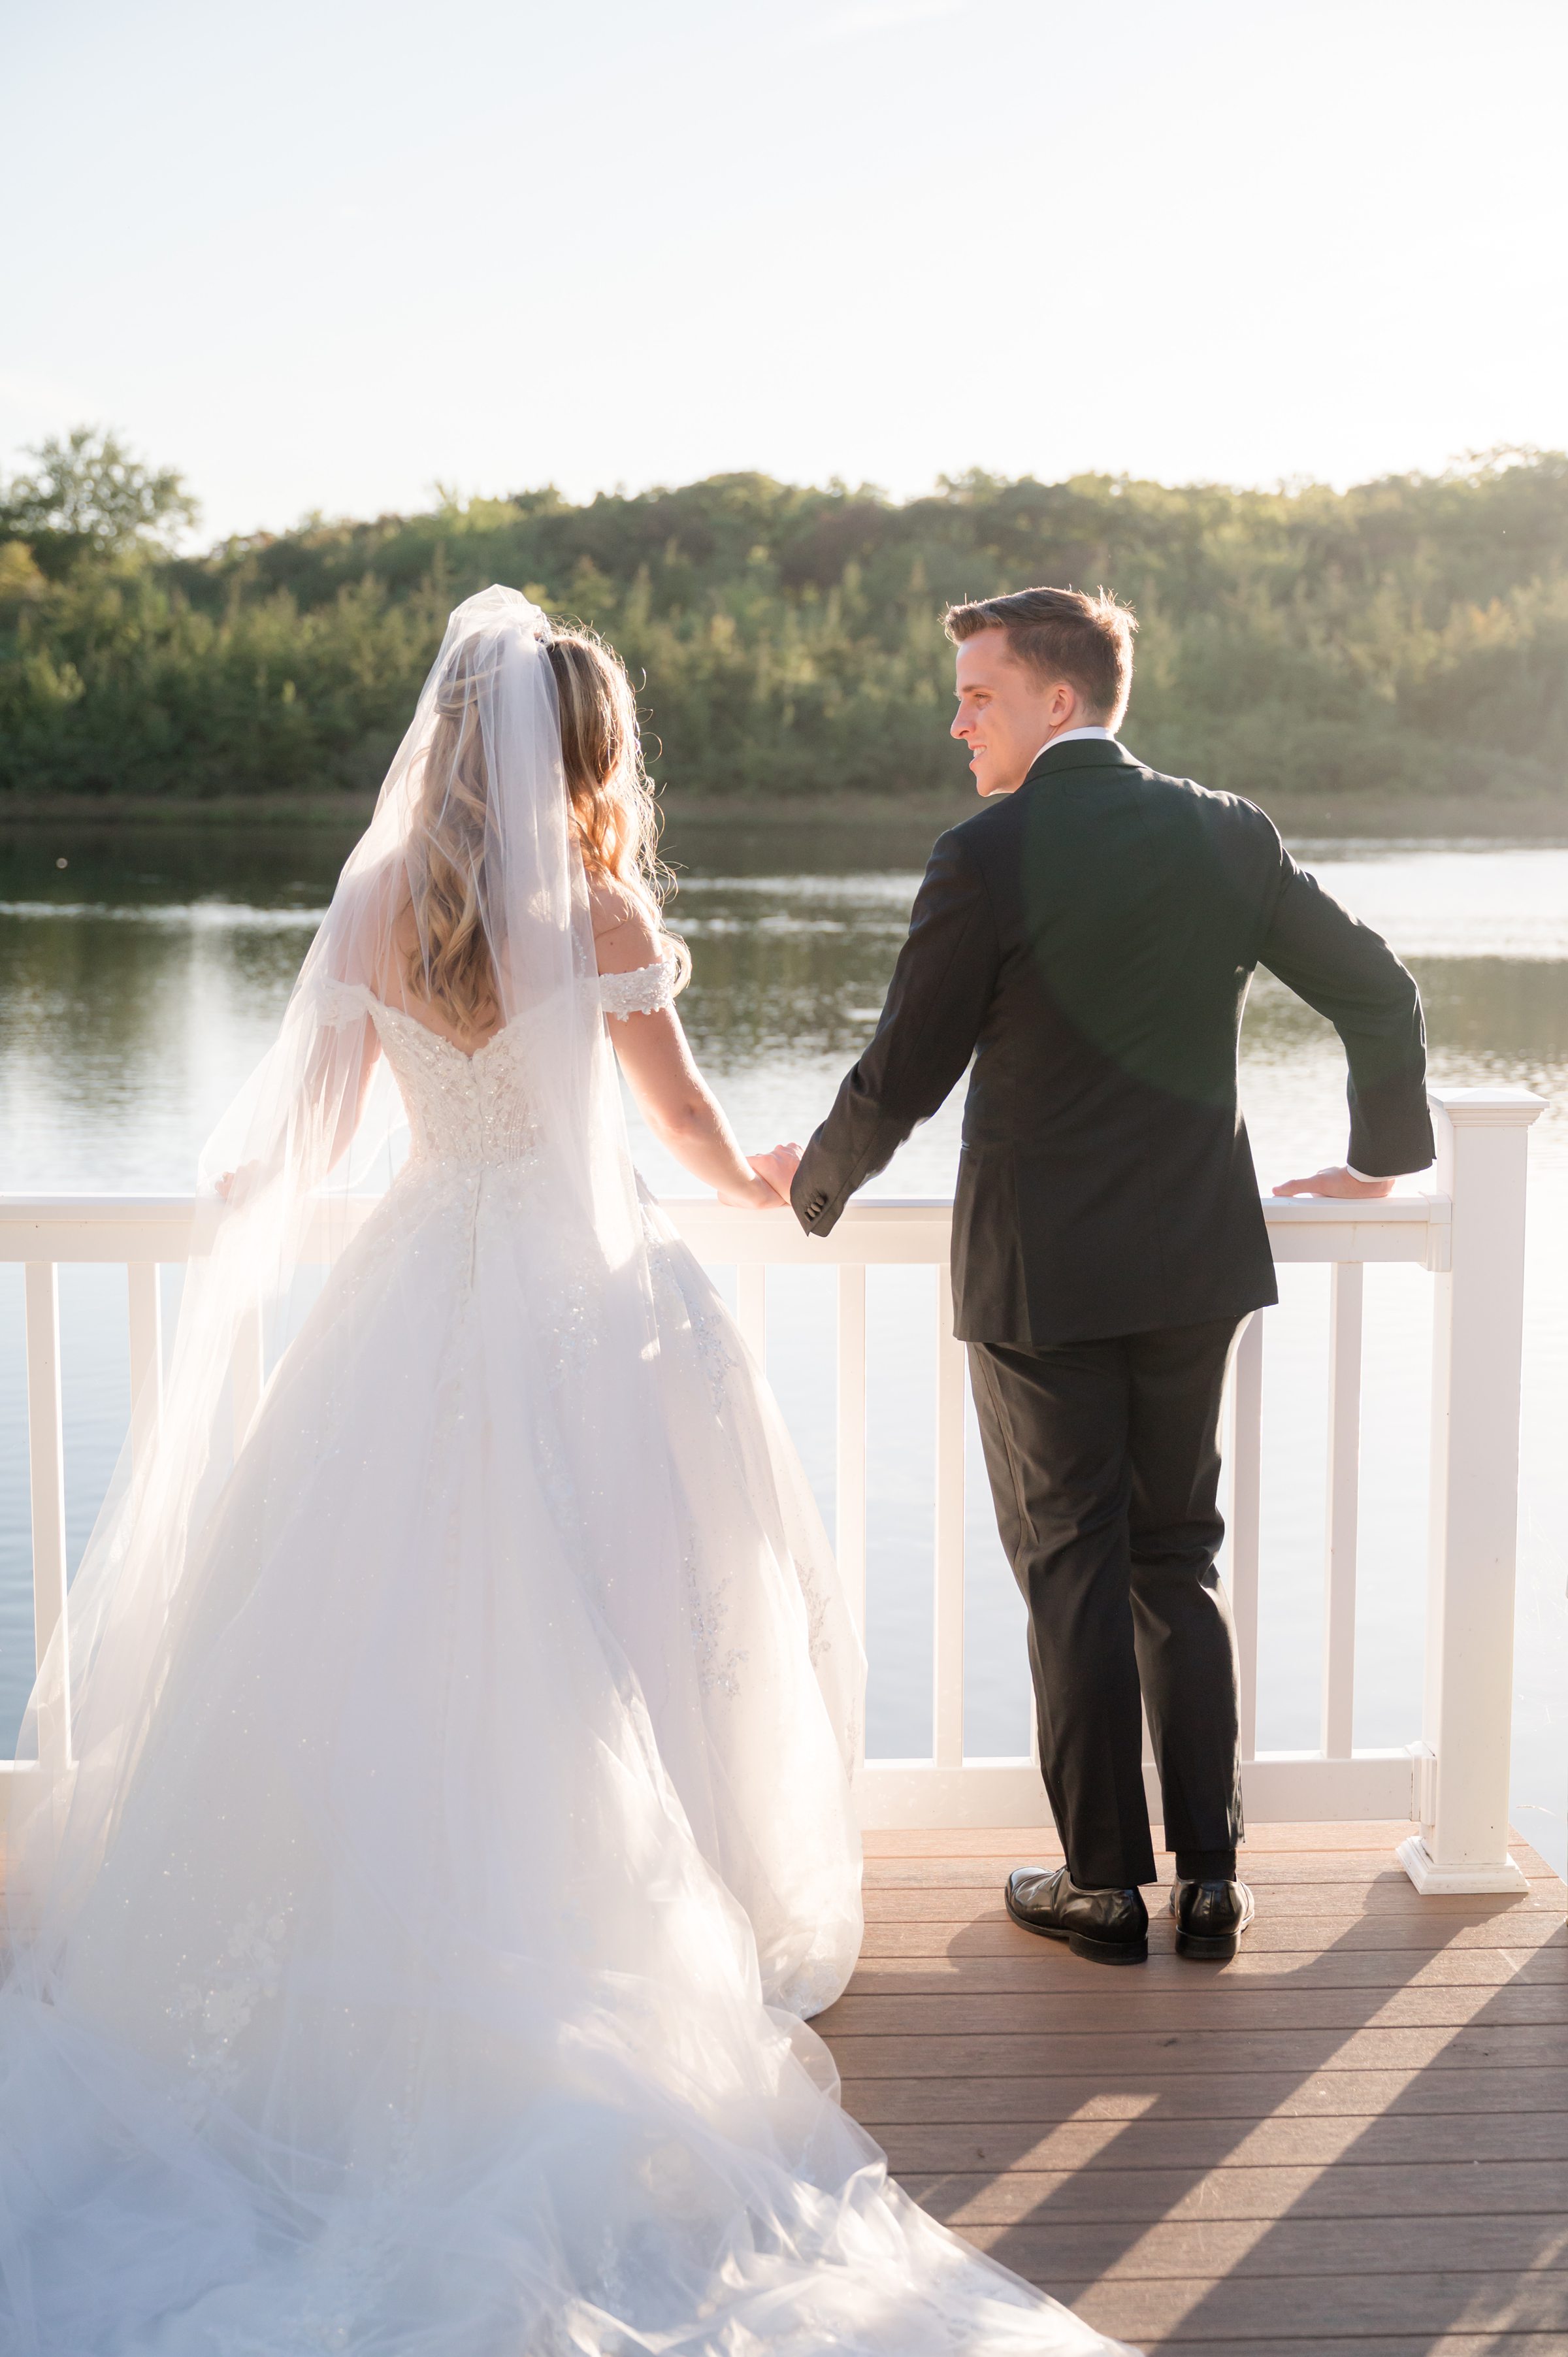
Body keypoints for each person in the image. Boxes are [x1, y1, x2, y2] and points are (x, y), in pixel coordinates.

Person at [0, 588, 1130, 2355]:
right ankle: (645, 1913)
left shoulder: (383, 901)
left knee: (367, 1621)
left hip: (410, 1282)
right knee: (631, 1609)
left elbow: (311, 1129)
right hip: (583, 1298)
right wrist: (764, 1178)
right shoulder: (595, 903)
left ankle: (348, 1952)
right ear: (582, 750)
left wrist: (243, 1195)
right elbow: (675, 1122)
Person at [788, 586, 1433, 1967]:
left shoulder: (985, 854)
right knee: (1173, 1557)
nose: (955, 717)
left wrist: (817, 1182)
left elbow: (908, 1065)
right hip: (1195, 1259)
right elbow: (1378, 987)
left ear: (1058, 702)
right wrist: (1379, 1160)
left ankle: (1099, 1886)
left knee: (1072, 1568)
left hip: (1038, 1280)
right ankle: (1209, 1879)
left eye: (978, 692)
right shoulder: (1227, 834)